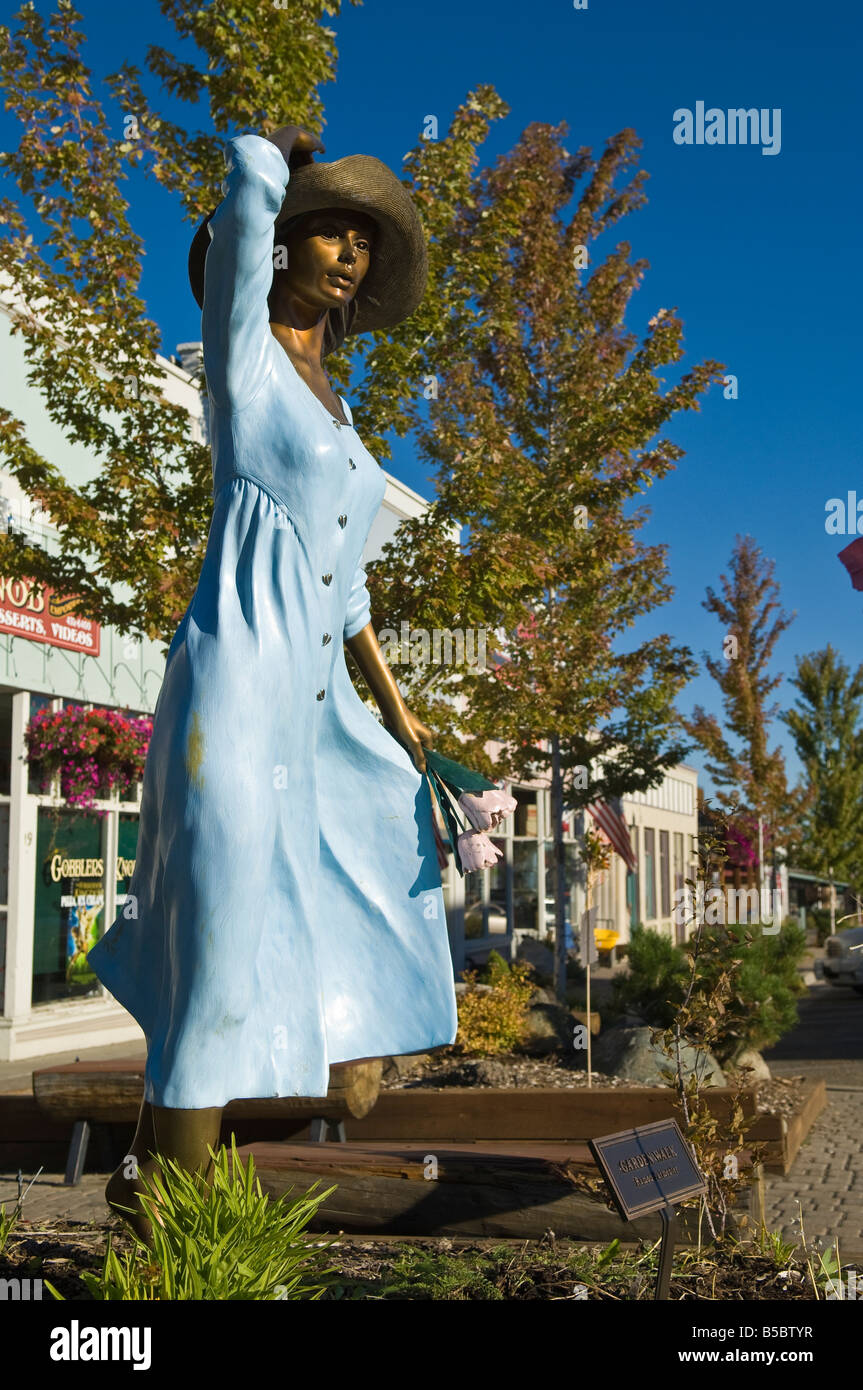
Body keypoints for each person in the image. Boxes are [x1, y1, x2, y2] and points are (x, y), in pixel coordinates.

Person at [87, 124, 458, 1243]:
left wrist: (409, 729)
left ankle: (168, 1169)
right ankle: (179, 1224)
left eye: (361, 239)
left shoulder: (342, 417)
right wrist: (271, 157)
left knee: (365, 872)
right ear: (284, 240)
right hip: (236, 695)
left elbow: (347, 599)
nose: (346, 252)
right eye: (328, 229)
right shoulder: (242, 358)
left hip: (317, 712)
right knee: (223, 928)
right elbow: (241, 214)